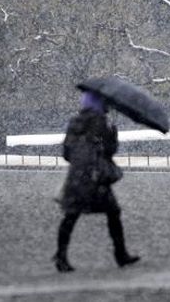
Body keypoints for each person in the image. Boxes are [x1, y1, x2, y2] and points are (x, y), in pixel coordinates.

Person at [53, 91, 140, 272]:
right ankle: (121, 254)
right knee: (113, 213)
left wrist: (80, 163)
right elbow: (110, 151)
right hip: (96, 177)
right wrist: (112, 135)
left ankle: (61, 256)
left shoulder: (74, 122)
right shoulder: (102, 123)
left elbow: (66, 153)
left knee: (70, 216)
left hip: (77, 176)